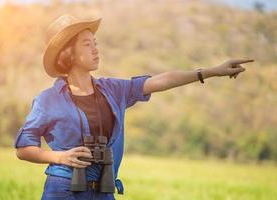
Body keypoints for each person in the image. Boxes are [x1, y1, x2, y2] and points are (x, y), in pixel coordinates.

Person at [14, 13, 254, 200]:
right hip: (63, 190)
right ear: (69, 54)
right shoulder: (48, 100)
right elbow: (23, 148)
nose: (96, 49)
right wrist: (59, 157)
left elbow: (159, 81)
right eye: (87, 44)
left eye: (95, 42)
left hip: (105, 190)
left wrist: (211, 71)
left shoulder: (113, 90)